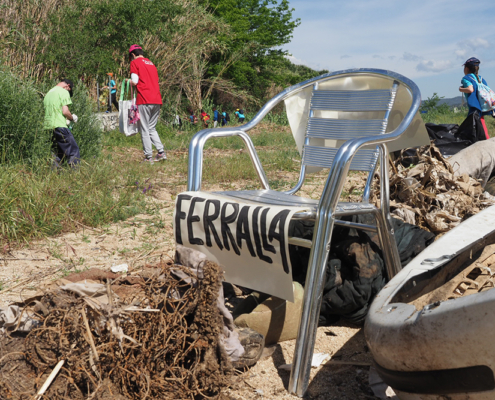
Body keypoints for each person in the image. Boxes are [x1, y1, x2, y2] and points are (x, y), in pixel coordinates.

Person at [128, 44, 166, 163]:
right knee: (151, 128)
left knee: (144, 128)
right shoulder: (151, 63)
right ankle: (161, 152)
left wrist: (127, 81)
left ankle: (148, 157)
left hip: (144, 99)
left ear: (133, 54)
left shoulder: (135, 63)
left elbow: (135, 81)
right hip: (156, 99)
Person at [43, 79, 80, 167]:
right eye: (69, 90)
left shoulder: (49, 93)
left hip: (48, 127)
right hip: (60, 126)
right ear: (67, 86)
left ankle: (55, 173)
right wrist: (72, 118)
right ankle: (76, 174)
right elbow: (65, 111)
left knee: (57, 152)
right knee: (73, 151)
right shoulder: (63, 91)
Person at [459, 57, 492, 139]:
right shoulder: (481, 79)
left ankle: (486, 142)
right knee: (480, 124)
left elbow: (470, 89)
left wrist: (461, 89)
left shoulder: (466, 78)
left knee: (477, 126)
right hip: (482, 106)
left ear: (466, 68)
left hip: (474, 106)